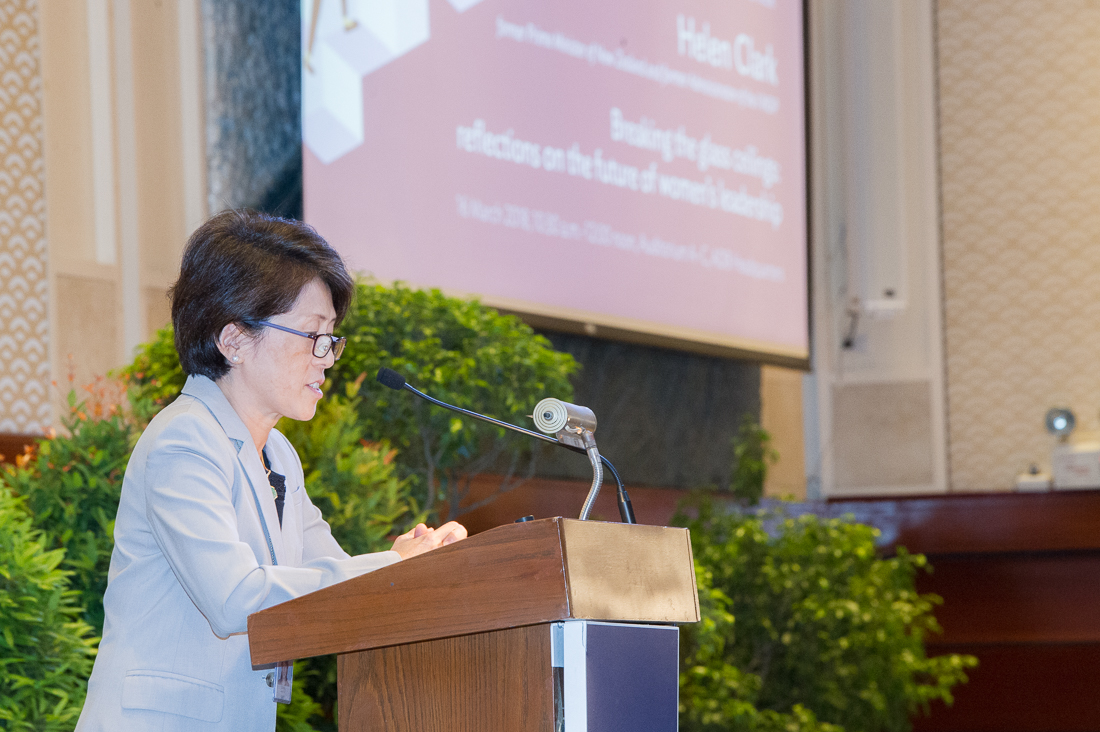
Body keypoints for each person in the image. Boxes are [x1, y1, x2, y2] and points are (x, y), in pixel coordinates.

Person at [75, 210, 466, 731]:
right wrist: (389, 566)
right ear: (233, 340)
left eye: (332, 338)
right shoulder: (183, 439)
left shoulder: (278, 455)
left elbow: (336, 586)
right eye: (312, 336)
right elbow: (234, 599)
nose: (327, 358)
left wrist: (423, 564)